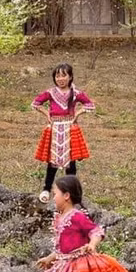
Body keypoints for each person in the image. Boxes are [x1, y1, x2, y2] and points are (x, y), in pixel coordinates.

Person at [31, 63, 95, 203]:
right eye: (57, 76)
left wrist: (77, 114)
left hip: (69, 129)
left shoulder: (76, 93)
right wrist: (46, 113)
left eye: (64, 75)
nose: (60, 79)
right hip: (54, 128)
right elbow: (36, 103)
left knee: (70, 162)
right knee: (52, 161)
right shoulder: (50, 92)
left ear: (70, 76)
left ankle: (70, 193)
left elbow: (90, 105)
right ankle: (47, 189)